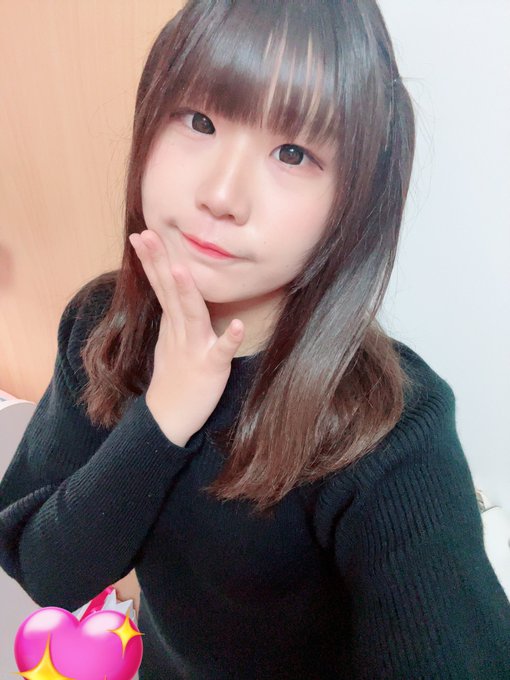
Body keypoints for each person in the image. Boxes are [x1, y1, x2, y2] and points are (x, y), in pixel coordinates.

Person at [1, 1, 509, 678]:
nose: (222, 194)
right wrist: (161, 420)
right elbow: (44, 571)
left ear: (354, 198)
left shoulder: (391, 428)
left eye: (292, 153)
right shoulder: (102, 325)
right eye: (199, 121)